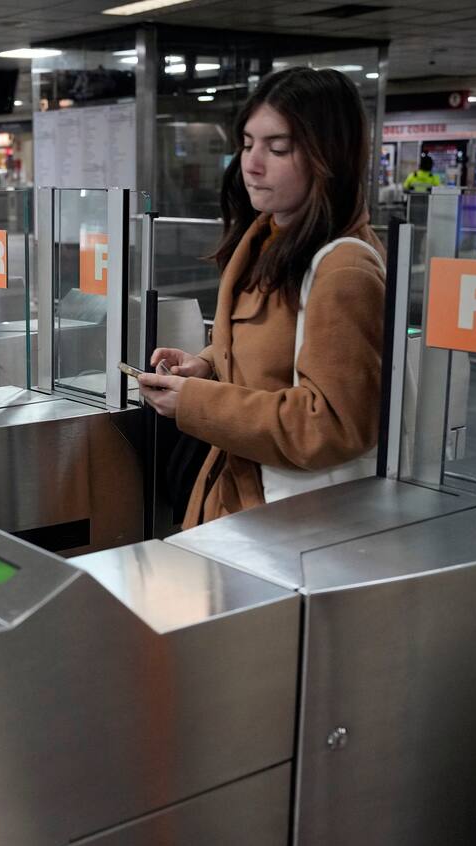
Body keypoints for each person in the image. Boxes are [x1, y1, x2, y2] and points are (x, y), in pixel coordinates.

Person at [136, 67, 386, 528]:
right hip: (242, 501)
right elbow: (279, 342)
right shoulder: (270, 239)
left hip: (293, 521)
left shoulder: (343, 269)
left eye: (277, 148)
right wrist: (208, 363)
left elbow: (331, 425)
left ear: (327, 155)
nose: (251, 164)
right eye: (248, 144)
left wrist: (195, 402)